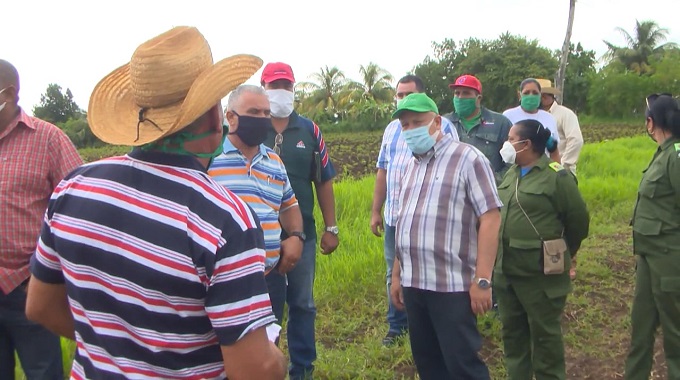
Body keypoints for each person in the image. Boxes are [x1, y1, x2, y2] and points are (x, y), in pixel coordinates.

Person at [25, 26, 287, 379]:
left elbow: (40, 306)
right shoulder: (224, 220)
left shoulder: (73, 187)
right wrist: (275, 359)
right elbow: (255, 371)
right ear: (213, 116)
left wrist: (120, 349)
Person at [389, 93, 503, 380]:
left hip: (452, 286)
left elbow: (490, 217)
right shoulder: (410, 167)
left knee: (462, 365)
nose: (411, 129)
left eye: (418, 122)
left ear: (437, 122)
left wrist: (483, 279)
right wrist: (397, 275)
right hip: (415, 284)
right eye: (405, 125)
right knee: (428, 363)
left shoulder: (468, 158)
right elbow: (404, 224)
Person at [0, 59, 82, 380]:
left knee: (42, 373)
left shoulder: (47, 139)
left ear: (8, 93)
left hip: (28, 288)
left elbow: (78, 207)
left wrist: (53, 274)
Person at [260, 61, 339, 380]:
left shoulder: (309, 130)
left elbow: (324, 180)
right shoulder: (250, 128)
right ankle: (266, 365)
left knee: (303, 303)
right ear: (263, 89)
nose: (280, 92)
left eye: (286, 87)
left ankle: (302, 367)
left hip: (302, 234)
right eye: (274, 86)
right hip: (259, 239)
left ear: (294, 90)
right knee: (265, 308)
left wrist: (331, 227)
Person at [494, 119, 589, 380]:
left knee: (545, 337)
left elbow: (578, 221)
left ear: (526, 144)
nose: (507, 143)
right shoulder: (510, 174)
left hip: (540, 275)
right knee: (513, 336)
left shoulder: (557, 176)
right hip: (507, 273)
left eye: (512, 138)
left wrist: (564, 251)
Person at [369, 74, 459, 346]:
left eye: (408, 94)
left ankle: (431, 325)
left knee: (429, 272)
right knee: (393, 273)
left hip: (430, 218)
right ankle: (397, 326)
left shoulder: (443, 128)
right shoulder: (391, 129)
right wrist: (376, 210)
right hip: (397, 215)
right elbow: (382, 170)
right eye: (399, 95)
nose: (403, 99)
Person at [209, 84, 304, 330]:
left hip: (270, 277)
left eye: (266, 113)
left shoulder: (274, 161)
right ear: (230, 117)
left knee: (270, 346)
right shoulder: (210, 159)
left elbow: (289, 205)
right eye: (254, 113)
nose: (262, 119)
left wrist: (296, 236)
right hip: (223, 281)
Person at [624, 94, 680, 380]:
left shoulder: (676, 154)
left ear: (650, 123)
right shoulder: (663, 152)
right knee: (641, 331)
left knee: (675, 336)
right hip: (648, 258)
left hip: (670, 261)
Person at [443, 74, 513, 183]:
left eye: (466, 93)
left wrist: (494, 181)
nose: (460, 97)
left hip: (491, 193)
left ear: (478, 98)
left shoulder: (500, 123)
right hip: (452, 192)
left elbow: (512, 160)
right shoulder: (444, 123)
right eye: (457, 93)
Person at [503, 78, 561, 163]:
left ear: (540, 96)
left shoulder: (549, 118)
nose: (531, 96)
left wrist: (558, 172)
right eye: (526, 93)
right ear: (520, 95)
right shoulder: (508, 116)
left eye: (535, 93)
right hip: (514, 167)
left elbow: (554, 151)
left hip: (542, 169)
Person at [537, 78, 584, 176]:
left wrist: (561, 165)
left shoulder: (565, 114)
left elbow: (576, 140)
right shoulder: (535, 115)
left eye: (535, 95)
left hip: (562, 171)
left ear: (544, 96)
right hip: (539, 171)